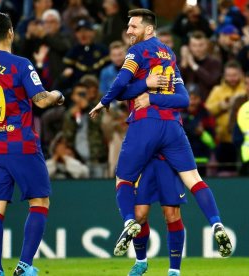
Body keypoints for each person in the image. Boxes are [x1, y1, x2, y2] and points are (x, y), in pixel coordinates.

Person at [89, 8, 232, 258]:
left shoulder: (136, 51)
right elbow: (184, 99)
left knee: (122, 179)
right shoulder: (170, 55)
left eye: (134, 26)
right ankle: (216, 222)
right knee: (194, 179)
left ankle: (128, 223)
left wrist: (104, 101)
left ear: (149, 29)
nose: (129, 31)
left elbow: (121, 84)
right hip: (173, 128)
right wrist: (148, 88)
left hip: (146, 124)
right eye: (128, 26)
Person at [0, 12, 64, 276]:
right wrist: (58, 95)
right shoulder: (21, 65)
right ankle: (24, 265)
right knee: (39, 202)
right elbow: (42, 100)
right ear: (11, 32)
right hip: (21, 144)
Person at [129, 157, 187, 276]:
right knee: (139, 215)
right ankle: (141, 262)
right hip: (144, 161)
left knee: (171, 214)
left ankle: (174, 270)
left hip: (168, 159)